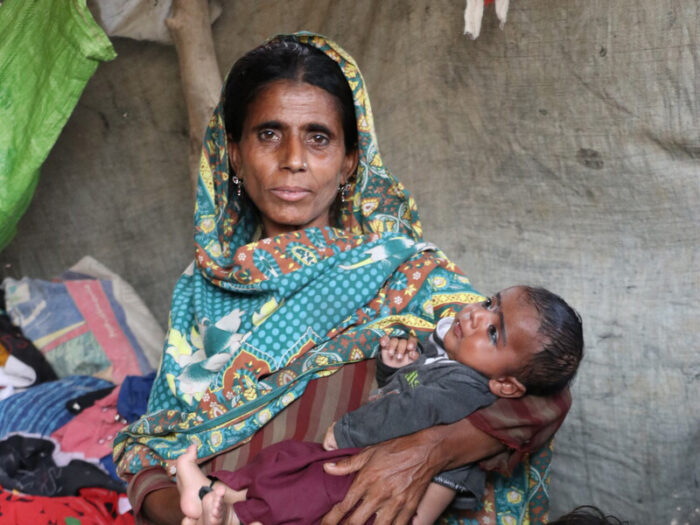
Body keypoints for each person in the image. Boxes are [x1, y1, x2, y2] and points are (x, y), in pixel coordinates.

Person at [114, 33, 576, 525]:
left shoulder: (407, 274)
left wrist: (431, 451)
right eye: (269, 134)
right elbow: (150, 451)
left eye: (318, 137)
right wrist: (191, 516)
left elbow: (541, 392)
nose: (294, 159)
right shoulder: (198, 291)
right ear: (233, 153)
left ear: (350, 160)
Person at [175, 285, 583, 525]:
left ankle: (227, 510)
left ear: (508, 386)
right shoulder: (448, 360)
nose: (478, 316)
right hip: (359, 470)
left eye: (495, 332)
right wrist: (393, 369)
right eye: (490, 303)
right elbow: (406, 393)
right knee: (284, 465)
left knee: (301, 493)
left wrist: (349, 431)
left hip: (371, 493)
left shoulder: (466, 387)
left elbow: (413, 411)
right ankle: (218, 495)